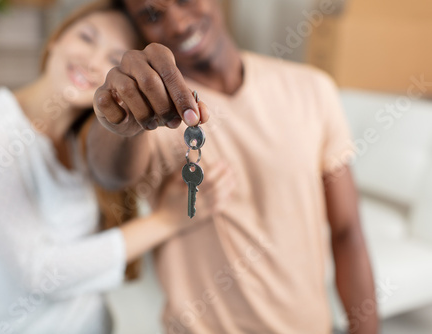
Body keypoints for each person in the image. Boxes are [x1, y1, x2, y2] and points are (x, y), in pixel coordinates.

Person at [87, 0, 379, 333]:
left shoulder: (313, 88)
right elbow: (109, 172)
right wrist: (119, 124)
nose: (179, 24)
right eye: (152, 15)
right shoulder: (155, 118)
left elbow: (347, 232)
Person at [0, 2, 233, 333]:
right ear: (55, 39)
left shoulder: (87, 145)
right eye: (86, 38)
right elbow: (39, 271)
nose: (95, 62)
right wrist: (166, 220)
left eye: (115, 60)